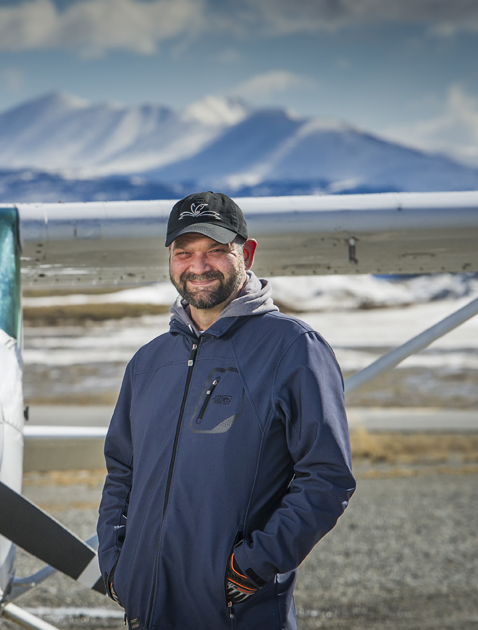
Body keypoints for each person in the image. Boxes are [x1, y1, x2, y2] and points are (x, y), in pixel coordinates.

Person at [96, 191, 355, 630]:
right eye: (185, 253)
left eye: (216, 250)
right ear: (170, 260)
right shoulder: (148, 361)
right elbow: (122, 471)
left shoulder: (293, 348)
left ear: (246, 253)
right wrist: (117, 565)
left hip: (236, 612)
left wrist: (249, 567)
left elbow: (327, 476)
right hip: (148, 608)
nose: (198, 266)